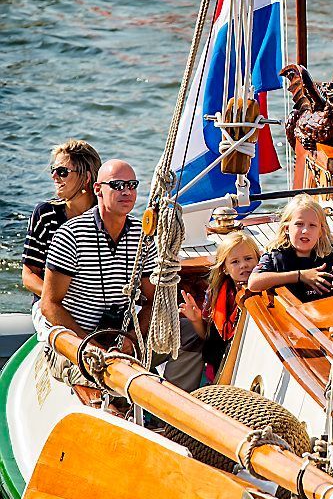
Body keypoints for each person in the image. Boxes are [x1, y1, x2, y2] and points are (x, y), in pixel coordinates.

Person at [40, 159, 159, 386]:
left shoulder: (142, 237)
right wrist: (89, 345)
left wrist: (132, 339)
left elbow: (153, 301)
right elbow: (49, 304)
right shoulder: (70, 236)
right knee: (106, 383)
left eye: (132, 185)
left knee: (189, 337)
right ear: (98, 189)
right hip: (75, 343)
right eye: (117, 185)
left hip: (121, 338)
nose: (126, 192)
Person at [23, 140, 102, 331]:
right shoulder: (45, 214)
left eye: (62, 172)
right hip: (51, 304)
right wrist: (56, 298)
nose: (54, 177)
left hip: (97, 306)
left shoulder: (104, 217)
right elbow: (29, 275)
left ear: (86, 177)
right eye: (54, 170)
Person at [180, 231, 261, 381]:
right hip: (219, 367)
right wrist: (197, 320)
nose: (243, 265)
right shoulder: (216, 293)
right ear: (224, 268)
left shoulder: (263, 293)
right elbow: (206, 336)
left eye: (248, 258)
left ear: (258, 260)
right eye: (235, 262)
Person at [248, 194, 333, 302]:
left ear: (320, 232)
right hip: (290, 315)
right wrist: (300, 275)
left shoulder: (331, 255)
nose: (305, 230)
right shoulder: (275, 257)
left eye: (312, 225)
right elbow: (253, 283)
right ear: (287, 228)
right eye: (299, 224)